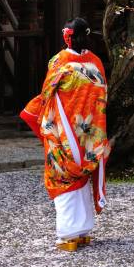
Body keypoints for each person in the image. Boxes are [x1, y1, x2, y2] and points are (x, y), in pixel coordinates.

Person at [20, 17, 110, 251]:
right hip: (68, 129)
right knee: (64, 174)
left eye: (77, 35)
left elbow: (100, 96)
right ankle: (70, 230)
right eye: (71, 35)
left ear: (84, 35)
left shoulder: (86, 61)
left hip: (86, 129)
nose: (73, 39)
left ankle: (78, 230)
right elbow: (50, 95)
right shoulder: (69, 61)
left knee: (75, 176)